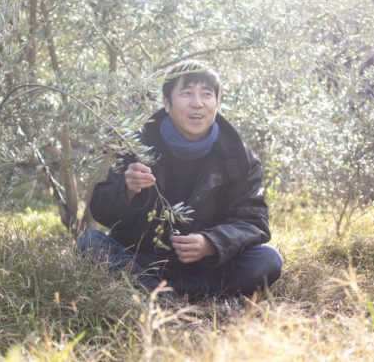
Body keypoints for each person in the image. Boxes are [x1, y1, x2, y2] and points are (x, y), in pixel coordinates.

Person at [77, 62, 282, 301]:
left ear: (216, 102)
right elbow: (102, 211)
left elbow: (254, 222)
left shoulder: (238, 156)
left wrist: (211, 243)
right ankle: (167, 293)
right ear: (166, 103)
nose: (197, 103)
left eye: (206, 94)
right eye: (186, 93)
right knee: (89, 241)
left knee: (267, 260)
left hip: (208, 267)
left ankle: (160, 295)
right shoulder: (136, 147)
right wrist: (127, 190)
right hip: (143, 261)